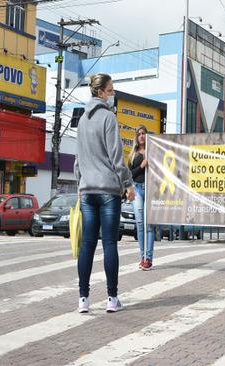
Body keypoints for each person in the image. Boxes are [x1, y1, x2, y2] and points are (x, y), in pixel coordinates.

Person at [74, 73, 135, 313]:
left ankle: (83, 299)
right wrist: (128, 183)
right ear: (100, 92)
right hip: (109, 190)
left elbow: (78, 161)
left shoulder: (81, 121)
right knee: (109, 243)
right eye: (111, 90)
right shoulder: (108, 118)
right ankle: (111, 298)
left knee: (87, 244)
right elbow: (116, 157)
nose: (113, 94)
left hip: (87, 190)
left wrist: (80, 185)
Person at [128, 125, 156, 270]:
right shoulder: (133, 154)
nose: (141, 136)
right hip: (137, 189)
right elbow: (130, 174)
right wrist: (142, 166)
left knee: (148, 225)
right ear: (136, 136)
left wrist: (149, 161)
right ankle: (142, 256)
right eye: (139, 134)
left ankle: (149, 258)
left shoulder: (152, 152)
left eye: (144, 133)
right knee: (139, 223)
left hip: (150, 189)